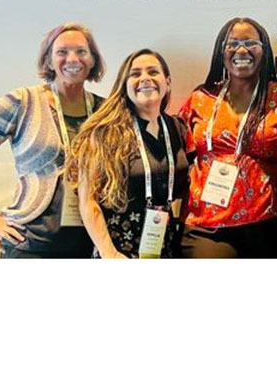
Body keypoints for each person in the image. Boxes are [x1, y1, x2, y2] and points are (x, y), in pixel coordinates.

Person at [0, 22, 106, 258]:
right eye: (62, 52)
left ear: (93, 59)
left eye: (81, 51)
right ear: (49, 61)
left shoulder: (104, 111)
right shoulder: (21, 102)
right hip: (30, 243)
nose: (72, 59)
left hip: (89, 243)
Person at [179, 17, 277, 258]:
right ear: (221, 52)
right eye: (232, 44)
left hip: (270, 222)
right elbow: (176, 158)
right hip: (206, 222)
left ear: (264, 50)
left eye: (250, 43)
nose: (241, 50)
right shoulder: (200, 99)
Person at [68, 49, 192, 258]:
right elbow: (88, 202)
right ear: (124, 85)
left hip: (166, 241)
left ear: (168, 82)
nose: (145, 78)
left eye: (153, 72)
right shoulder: (103, 132)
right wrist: (110, 254)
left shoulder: (178, 128)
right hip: (118, 248)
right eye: (135, 74)